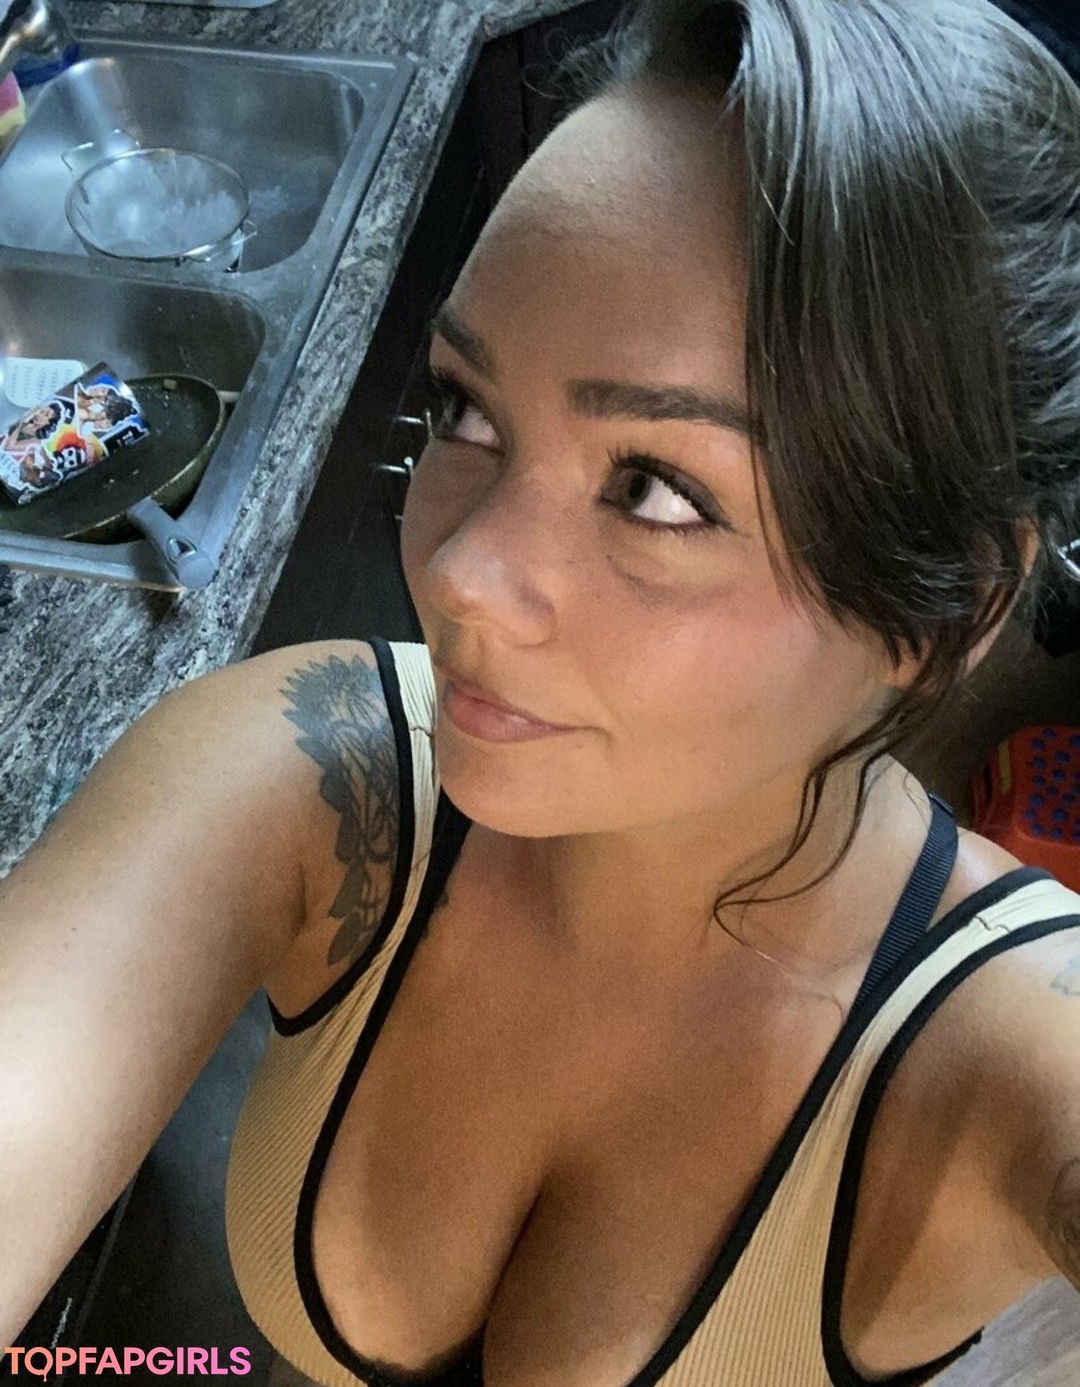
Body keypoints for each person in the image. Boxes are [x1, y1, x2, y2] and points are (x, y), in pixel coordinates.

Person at [2, 0, 1079, 1383]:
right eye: (466, 410)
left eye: (660, 491)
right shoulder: (313, 778)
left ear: (944, 615)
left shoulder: (1011, 1042)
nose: (460, 574)